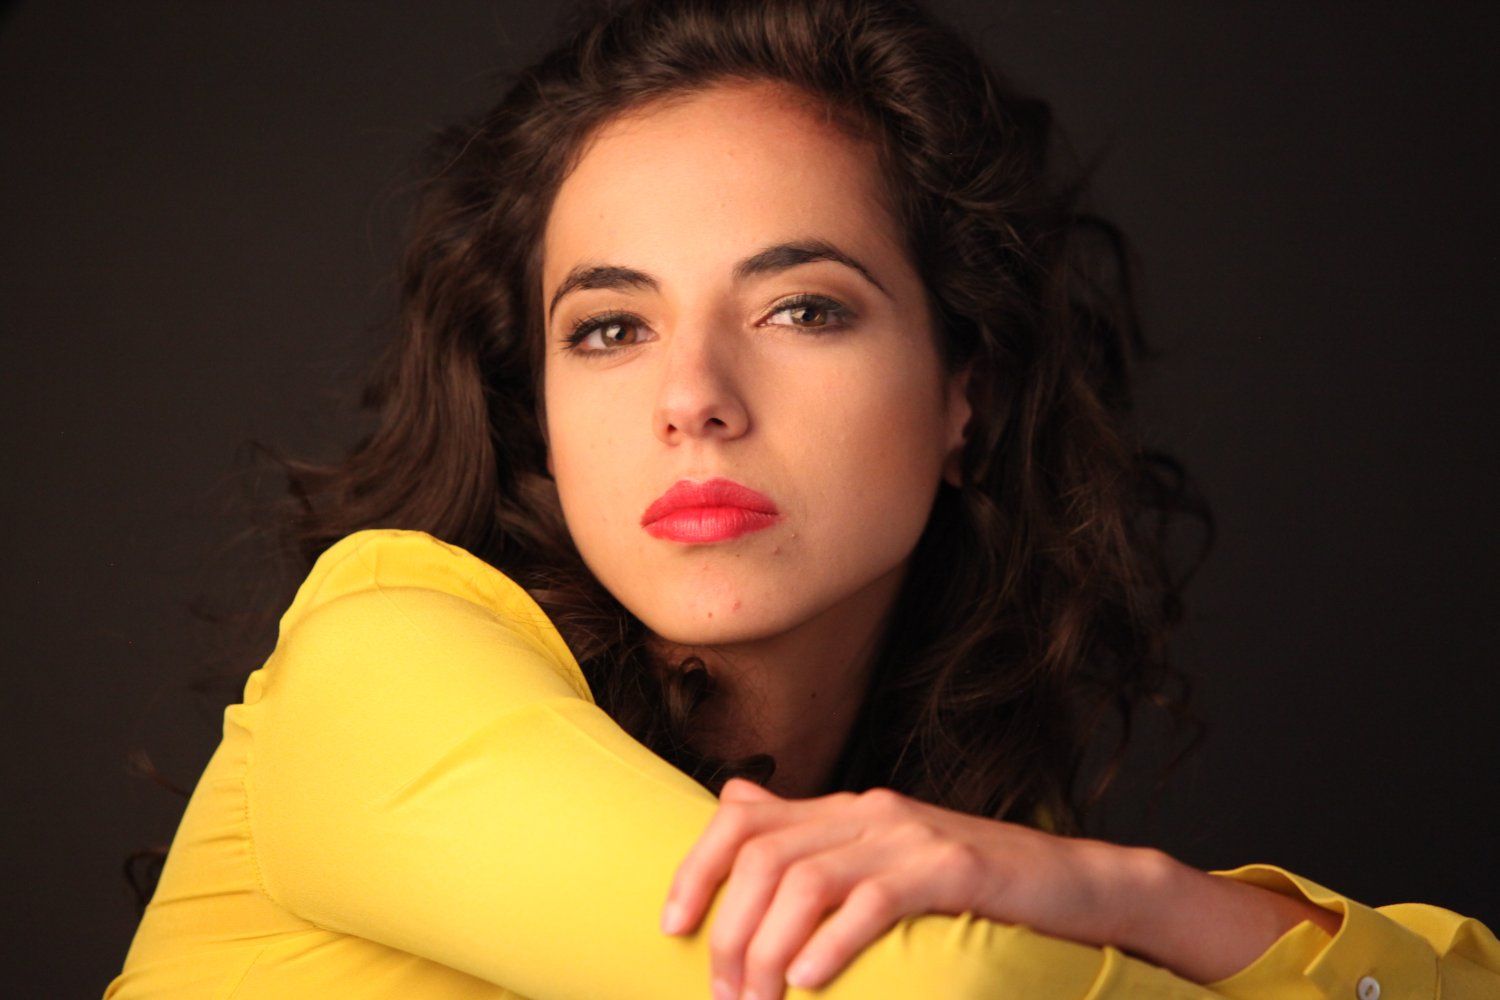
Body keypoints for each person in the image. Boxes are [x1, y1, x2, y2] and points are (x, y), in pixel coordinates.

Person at [104, 0, 1498, 997]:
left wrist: (1132, 891)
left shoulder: (919, 842)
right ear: (540, 416)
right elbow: (937, 991)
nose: (693, 396)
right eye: (610, 328)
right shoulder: (380, 662)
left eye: (802, 308)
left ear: (963, 396)